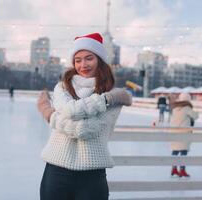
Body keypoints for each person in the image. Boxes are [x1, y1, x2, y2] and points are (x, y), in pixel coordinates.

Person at [37, 32, 132, 200]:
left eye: (89, 58)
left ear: (100, 60)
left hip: (92, 176)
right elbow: (68, 110)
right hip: (56, 171)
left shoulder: (113, 95)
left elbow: (85, 130)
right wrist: (103, 101)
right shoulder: (62, 88)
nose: (83, 65)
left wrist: (50, 115)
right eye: (78, 60)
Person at [169, 92, 198, 178]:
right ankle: (182, 170)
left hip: (174, 132)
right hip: (183, 133)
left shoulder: (175, 108)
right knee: (183, 151)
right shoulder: (186, 108)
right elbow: (195, 116)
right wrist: (197, 113)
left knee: (175, 151)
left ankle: (174, 168)